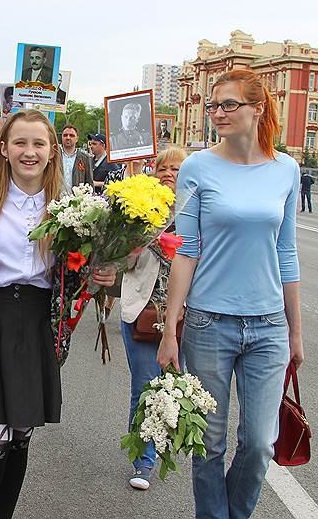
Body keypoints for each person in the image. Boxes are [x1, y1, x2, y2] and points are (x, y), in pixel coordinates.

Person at [0, 109, 116, 518]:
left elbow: (76, 279)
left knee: (19, 439)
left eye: (38, 144)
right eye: (20, 143)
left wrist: (103, 273)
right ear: (5, 151)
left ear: (52, 152)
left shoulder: (73, 212)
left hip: (37, 326)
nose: (29, 152)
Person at [157, 69, 303, 519]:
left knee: (259, 444)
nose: (217, 113)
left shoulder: (286, 170)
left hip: (268, 326)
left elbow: (287, 252)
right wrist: (170, 328)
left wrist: (296, 333)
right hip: (209, 322)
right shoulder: (198, 167)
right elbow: (187, 250)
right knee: (210, 444)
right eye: (214, 105)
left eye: (229, 104)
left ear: (258, 108)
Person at [120, 146, 186, 489]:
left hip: (186, 316)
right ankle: (143, 459)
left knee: (175, 384)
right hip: (142, 311)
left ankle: (164, 442)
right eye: (163, 167)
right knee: (145, 385)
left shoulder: (198, 212)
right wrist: (130, 244)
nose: (169, 173)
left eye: (176, 169)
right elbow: (122, 261)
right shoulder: (142, 207)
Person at [59, 124, 93, 192]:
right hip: (56, 199)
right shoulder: (54, 156)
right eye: (65, 135)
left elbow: (89, 183)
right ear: (62, 137)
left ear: (77, 138)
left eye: (71, 135)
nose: (68, 138)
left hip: (77, 200)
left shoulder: (85, 158)